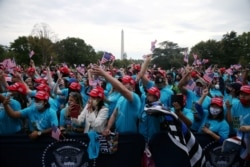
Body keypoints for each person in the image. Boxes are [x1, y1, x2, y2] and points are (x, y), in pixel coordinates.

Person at [91, 65, 141, 134]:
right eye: (122, 83)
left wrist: (104, 74)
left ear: (132, 85)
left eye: (125, 83)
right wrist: (108, 128)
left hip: (129, 136)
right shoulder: (121, 98)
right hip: (117, 134)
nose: (122, 85)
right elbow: (114, 114)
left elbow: (122, 89)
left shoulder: (135, 97)